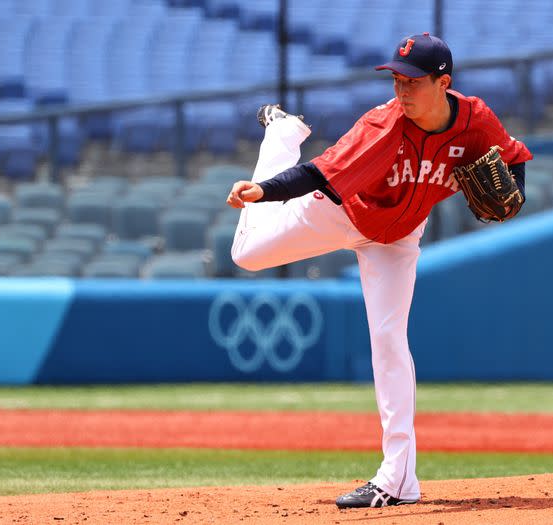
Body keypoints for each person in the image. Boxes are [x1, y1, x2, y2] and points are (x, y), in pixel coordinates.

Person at [227, 32, 532, 509]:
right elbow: (317, 176)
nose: (401, 89)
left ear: (443, 82)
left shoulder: (476, 121)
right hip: (338, 211)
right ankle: (282, 136)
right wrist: (262, 192)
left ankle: (398, 481)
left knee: (390, 342)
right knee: (245, 254)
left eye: (412, 80)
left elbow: (514, 163)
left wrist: (515, 191)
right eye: (396, 78)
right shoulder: (382, 125)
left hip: (397, 237)